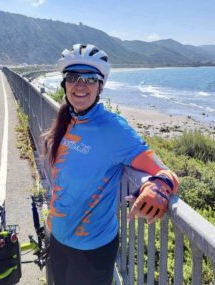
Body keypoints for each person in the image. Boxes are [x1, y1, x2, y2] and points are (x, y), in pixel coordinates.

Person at [43, 44, 179, 285]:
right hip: (58, 238)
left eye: (90, 79)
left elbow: (162, 171)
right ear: (64, 84)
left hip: (92, 249)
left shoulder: (115, 128)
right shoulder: (67, 120)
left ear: (100, 86)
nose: (80, 85)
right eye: (73, 77)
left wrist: (157, 186)